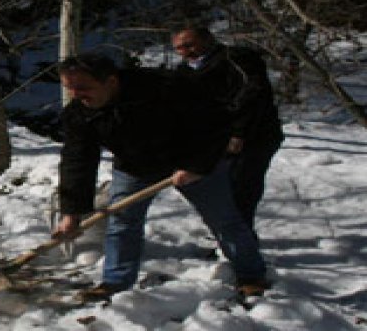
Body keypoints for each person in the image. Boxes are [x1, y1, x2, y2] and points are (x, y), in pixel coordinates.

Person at [52, 53, 268, 302]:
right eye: (69, 88)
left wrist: (197, 165)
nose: (76, 95)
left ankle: (251, 275)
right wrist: (72, 212)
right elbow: (77, 161)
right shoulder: (79, 113)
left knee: (224, 220)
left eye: (83, 88)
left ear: (110, 82)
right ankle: (115, 283)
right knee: (122, 223)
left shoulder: (165, 87)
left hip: (192, 158)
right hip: (135, 166)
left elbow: (216, 122)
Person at [171, 26, 284, 233]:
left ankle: (242, 245)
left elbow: (254, 97)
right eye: (179, 48)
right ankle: (228, 237)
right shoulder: (185, 72)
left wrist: (238, 132)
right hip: (216, 142)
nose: (186, 52)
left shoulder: (237, 59)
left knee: (241, 190)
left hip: (253, 137)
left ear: (208, 40)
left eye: (189, 45)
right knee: (219, 192)